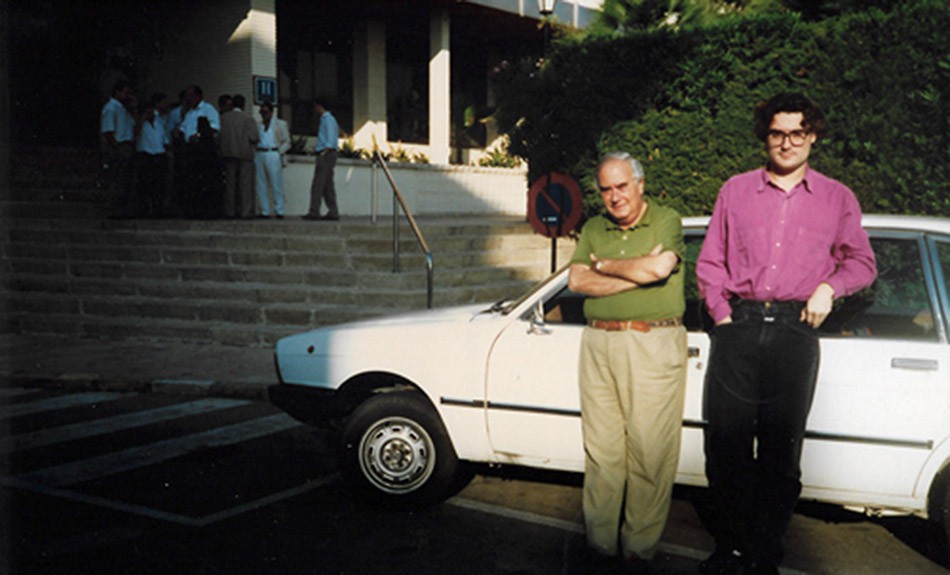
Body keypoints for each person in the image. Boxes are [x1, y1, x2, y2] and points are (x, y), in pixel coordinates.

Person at [695, 93, 877, 575]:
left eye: (798, 133)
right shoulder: (734, 190)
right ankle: (730, 548)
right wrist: (723, 316)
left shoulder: (838, 198)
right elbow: (711, 261)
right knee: (726, 447)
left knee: (781, 453)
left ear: (813, 135)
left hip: (797, 332)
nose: (787, 143)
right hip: (740, 327)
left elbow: (862, 263)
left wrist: (828, 287)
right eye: (778, 133)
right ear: (766, 136)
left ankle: (764, 553)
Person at [567, 152, 688, 575]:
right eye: (606, 189)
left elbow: (659, 268)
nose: (614, 196)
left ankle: (638, 550)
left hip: (651, 342)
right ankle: (599, 546)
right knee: (601, 452)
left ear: (639, 184)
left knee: (649, 453)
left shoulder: (666, 219)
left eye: (622, 186)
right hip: (599, 343)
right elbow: (576, 280)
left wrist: (604, 264)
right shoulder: (594, 227)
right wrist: (632, 272)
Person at [178, 84, 222, 218]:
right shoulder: (189, 112)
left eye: (191, 95)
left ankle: (206, 211)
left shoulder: (208, 109)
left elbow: (215, 127)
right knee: (192, 182)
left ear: (198, 96)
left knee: (205, 181)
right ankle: (193, 210)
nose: (189, 99)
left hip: (203, 150)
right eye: (187, 96)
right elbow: (184, 128)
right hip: (191, 150)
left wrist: (198, 135)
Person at [100, 79, 137, 218]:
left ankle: (120, 210)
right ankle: (112, 210)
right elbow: (108, 131)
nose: (128, 96)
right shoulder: (111, 108)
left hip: (127, 144)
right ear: (118, 92)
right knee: (117, 181)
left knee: (125, 181)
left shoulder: (124, 109)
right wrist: (117, 148)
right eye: (125, 93)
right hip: (119, 146)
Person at [219, 94, 259, 219]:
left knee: (230, 184)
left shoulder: (223, 118)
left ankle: (229, 211)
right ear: (243, 104)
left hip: (228, 153)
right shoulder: (248, 118)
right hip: (244, 153)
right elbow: (254, 137)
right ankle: (245, 212)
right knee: (245, 185)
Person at [134, 93, 170, 217]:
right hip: (145, 155)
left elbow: (164, 139)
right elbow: (135, 134)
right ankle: (144, 210)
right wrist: (142, 119)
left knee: (159, 185)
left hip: (159, 155)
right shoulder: (140, 124)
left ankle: (158, 209)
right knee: (145, 185)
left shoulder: (160, 121)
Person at [303, 98, 339, 221]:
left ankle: (314, 211)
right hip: (328, 154)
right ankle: (333, 211)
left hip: (326, 154)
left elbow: (329, 140)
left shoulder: (327, 120)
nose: (315, 109)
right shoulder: (329, 119)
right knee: (327, 185)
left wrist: (323, 152)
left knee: (318, 184)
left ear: (320, 106)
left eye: (316, 107)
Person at [255, 102, 291, 218]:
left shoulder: (280, 124)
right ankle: (264, 210)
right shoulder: (258, 125)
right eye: (261, 112)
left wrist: (279, 152)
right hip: (260, 152)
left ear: (271, 112)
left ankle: (279, 210)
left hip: (273, 152)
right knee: (261, 183)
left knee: (276, 183)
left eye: (265, 112)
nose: (263, 115)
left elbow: (287, 141)